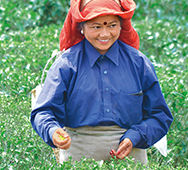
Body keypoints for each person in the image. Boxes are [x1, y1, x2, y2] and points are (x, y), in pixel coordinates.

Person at [31, 0, 173, 164]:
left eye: (112, 25)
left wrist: (135, 136)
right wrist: (52, 131)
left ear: (121, 26)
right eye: (96, 27)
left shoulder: (139, 63)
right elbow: (43, 112)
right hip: (78, 157)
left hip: (130, 156)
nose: (105, 34)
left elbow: (160, 115)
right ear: (81, 28)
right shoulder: (66, 65)